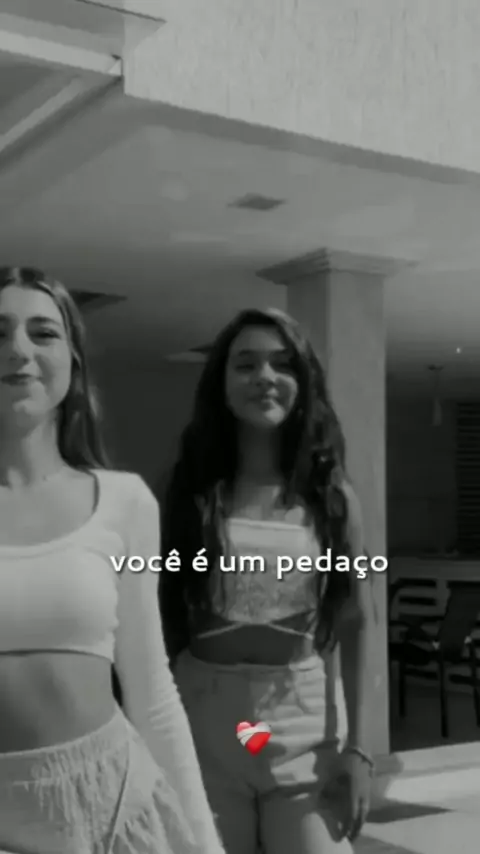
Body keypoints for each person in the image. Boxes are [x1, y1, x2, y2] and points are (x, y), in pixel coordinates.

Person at [0, 266, 225, 854]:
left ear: (73, 362)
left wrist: (203, 841)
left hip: (114, 805)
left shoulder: (125, 502)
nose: (18, 349)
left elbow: (151, 688)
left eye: (43, 333)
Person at [160, 307, 376, 854]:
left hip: (304, 724)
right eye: (246, 364)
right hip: (202, 720)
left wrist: (360, 749)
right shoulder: (187, 492)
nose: (264, 377)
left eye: (283, 364)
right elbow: (155, 616)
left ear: (303, 382)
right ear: (222, 382)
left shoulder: (333, 497)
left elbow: (358, 619)